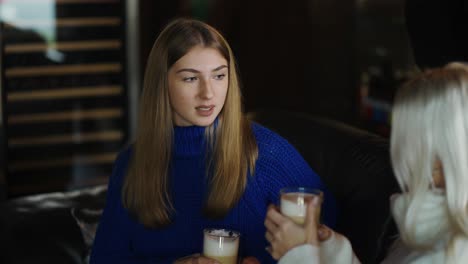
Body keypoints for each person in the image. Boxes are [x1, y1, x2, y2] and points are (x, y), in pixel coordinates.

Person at [90, 18, 337, 263]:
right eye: (190, 78)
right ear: (161, 83)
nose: (208, 93)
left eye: (219, 76)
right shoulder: (130, 164)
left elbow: (327, 236)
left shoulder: (265, 152)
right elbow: (105, 259)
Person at [264, 62, 468, 263]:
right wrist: (330, 251)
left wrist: (298, 255)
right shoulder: (426, 227)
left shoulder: (457, 251)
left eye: (407, 137)